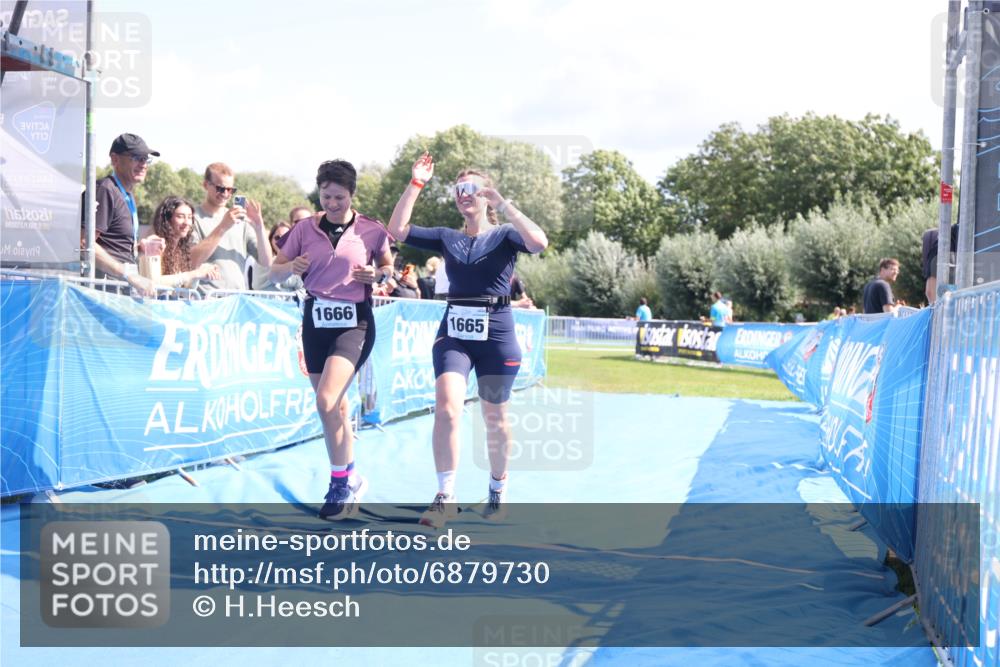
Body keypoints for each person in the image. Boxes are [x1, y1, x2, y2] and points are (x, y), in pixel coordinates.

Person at [388, 152, 548, 528]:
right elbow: (397, 230)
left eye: (472, 189)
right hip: (455, 332)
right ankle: (445, 496)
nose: (464, 194)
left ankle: (498, 487)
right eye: (459, 189)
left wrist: (504, 204)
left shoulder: (506, 235)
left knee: (495, 419)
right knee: (446, 407)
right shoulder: (447, 238)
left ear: (486, 195)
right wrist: (416, 183)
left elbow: (539, 242)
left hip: (497, 334)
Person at [268, 160, 393, 520]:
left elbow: (388, 268)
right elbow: (273, 270)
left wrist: (378, 274)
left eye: (339, 196)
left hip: (355, 323)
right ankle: (350, 477)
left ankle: (340, 482)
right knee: (334, 409)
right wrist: (289, 269)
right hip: (315, 320)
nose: (333, 203)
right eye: (326, 196)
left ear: (352, 194)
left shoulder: (371, 229)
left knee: (326, 400)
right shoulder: (304, 229)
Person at [90, 133, 161, 296]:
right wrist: (127, 274)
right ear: (115, 160)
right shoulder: (105, 190)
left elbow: (114, 246)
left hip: (120, 291)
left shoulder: (127, 195)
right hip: (104, 293)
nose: (143, 164)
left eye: (146, 159)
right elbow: (84, 244)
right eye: (137, 158)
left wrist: (140, 248)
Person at [189, 162, 272, 291]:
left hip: (236, 301)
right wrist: (223, 226)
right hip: (205, 300)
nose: (225, 194)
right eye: (220, 188)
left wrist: (259, 227)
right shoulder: (192, 217)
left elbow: (266, 262)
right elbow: (192, 261)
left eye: (230, 190)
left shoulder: (241, 219)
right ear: (205, 185)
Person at [148, 196, 221, 288]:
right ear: (167, 219)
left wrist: (201, 273)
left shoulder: (181, 250)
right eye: (180, 217)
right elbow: (153, 282)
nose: (187, 223)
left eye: (190, 217)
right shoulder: (154, 242)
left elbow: (184, 288)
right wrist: (194, 274)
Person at [251, 222, 304, 291]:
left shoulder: (298, 260)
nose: (281, 240)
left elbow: (303, 287)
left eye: (286, 237)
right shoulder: (264, 261)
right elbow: (259, 284)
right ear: (270, 240)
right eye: (277, 237)